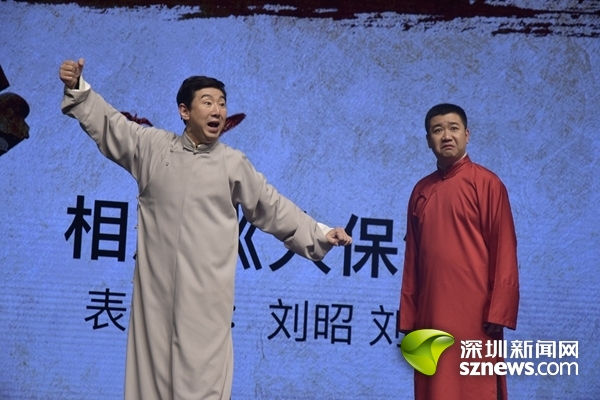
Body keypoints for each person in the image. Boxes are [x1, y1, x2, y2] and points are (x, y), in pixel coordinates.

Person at [59, 58, 352, 400]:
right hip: (154, 297)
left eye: (222, 103)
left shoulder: (232, 163)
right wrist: (78, 87)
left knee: (201, 386)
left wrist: (319, 233)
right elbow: (111, 125)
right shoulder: (152, 147)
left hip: (205, 302)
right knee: (149, 385)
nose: (218, 111)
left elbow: (271, 206)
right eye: (208, 102)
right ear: (184, 111)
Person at [399, 103, 519, 400]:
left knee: (475, 387)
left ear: (467, 135)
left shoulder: (487, 184)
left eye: (453, 128)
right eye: (437, 130)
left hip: (477, 314)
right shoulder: (421, 191)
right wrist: (410, 318)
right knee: (434, 388)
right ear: (428, 140)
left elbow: (504, 247)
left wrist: (499, 308)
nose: (446, 136)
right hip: (430, 312)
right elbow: (412, 261)